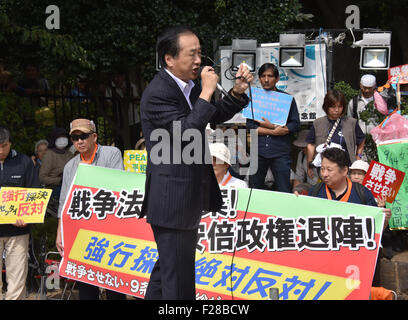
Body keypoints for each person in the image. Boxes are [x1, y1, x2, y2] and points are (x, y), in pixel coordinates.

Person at [140, 25, 252, 300]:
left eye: (200, 53)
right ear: (169, 58)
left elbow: (210, 116)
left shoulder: (187, 87)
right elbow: (187, 133)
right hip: (172, 200)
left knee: (166, 272)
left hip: (185, 196)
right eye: (192, 54)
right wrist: (205, 93)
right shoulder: (159, 92)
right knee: (179, 284)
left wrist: (237, 92)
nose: (199, 60)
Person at [55, 118, 125, 300]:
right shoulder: (70, 166)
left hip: (110, 229)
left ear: (94, 136)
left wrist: (90, 178)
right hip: (83, 231)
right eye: (75, 138)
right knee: (86, 283)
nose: (79, 141)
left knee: (114, 282)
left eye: (83, 136)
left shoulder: (111, 154)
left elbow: (118, 187)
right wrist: (60, 232)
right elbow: (65, 202)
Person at [0, 126, 40, 300]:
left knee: (17, 277)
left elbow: (34, 192)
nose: (1, 150)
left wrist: (26, 216)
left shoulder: (24, 162)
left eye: (4, 146)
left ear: (11, 143)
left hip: (18, 230)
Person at [247, 63, 300, 192]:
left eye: (270, 76)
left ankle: (283, 212)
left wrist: (282, 129)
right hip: (258, 151)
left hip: (280, 151)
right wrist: (274, 131)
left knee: (284, 189)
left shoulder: (287, 99)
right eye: (263, 76)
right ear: (259, 78)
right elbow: (251, 127)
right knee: (254, 191)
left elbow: (295, 124)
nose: (266, 79)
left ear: (277, 79)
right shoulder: (254, 99)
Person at [306, 90, 366, 180]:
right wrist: (310, 164)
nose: (337, 110)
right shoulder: (318, 123)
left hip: (346, 168)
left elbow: (361, 140)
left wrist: (358, 156)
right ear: (326, 107)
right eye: (333, 107)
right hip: (325, 170)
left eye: (340, 106)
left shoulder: (351, 122)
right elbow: (310, 144)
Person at [105, 70, 141, 149]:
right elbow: (108, 103)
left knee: (134, 144)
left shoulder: (130, 87)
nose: (116, 79)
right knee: (120, 145)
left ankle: (133, 161)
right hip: (119, 121)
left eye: (118, 77)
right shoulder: (111, 89)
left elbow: (137, 101)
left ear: (123, 77)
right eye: (114, 77)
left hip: (133, 120)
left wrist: (126, 94)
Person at [39, 128, 74, 199]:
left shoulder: (69, 154)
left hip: (69, 186)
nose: (63, 139)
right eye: (60, 138)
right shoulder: (49, 155)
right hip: (55, 189)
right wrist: (59, 180)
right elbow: (42, 178)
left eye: (65, 137)